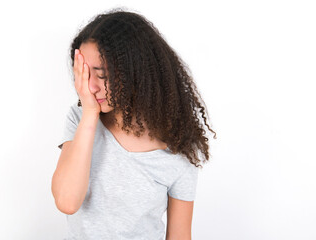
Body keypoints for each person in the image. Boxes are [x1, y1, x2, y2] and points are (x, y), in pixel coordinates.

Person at [51, 8, 217, 240]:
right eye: (85, 75)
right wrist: (89, 114)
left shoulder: (178, 149)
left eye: (102, 75)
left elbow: (179, 235)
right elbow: (67, 202)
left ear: (135, 73)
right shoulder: (79, 120)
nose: (91, 87)